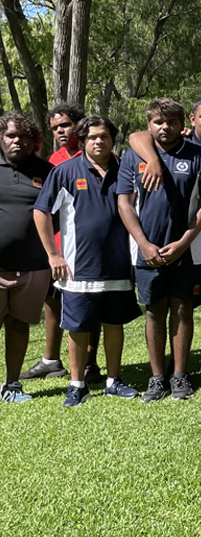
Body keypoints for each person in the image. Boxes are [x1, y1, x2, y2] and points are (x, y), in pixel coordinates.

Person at [33, 116, 141, 407]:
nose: (98, 141)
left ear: (112, 139)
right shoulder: (65, 171)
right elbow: (41, 212)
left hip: (119, 266)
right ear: (82, 141)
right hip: (78, 268)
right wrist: (53, 254)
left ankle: (114, 381)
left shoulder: (125, 170)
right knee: (78, 326)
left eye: (104, 136)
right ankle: (77, 385)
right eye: (92, 137)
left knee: (114, 324)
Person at [116, 98, 201, 401]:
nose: (165, 127)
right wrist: (143, 244)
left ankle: (180, 376)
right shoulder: (133, 156)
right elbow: (124, 203)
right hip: (147, 251)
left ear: (182, 124)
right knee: (154, 311)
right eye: (158, 122)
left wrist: (184, 242)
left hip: (186, 250)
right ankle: (157, 378)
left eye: (171, 122)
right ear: (149, 124)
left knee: (182, 309)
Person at [21, 104, 92, 382]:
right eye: (54, 128)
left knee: (88, 301)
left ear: (79, 125)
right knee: (54, 299)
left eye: (65, 125)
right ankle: (51, 360)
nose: (60, 131)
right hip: (58, 245)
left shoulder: (99, 152)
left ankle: (89, 362)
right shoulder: (55, 159)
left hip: (88, 245)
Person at [0, 112, 54, 403]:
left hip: (34, 268)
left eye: (24, 136)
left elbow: (59, 215)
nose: (17, 141)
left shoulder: (47, 172)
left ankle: (12, 385)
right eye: (11, 135)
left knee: (19, 325)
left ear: (34, 141)